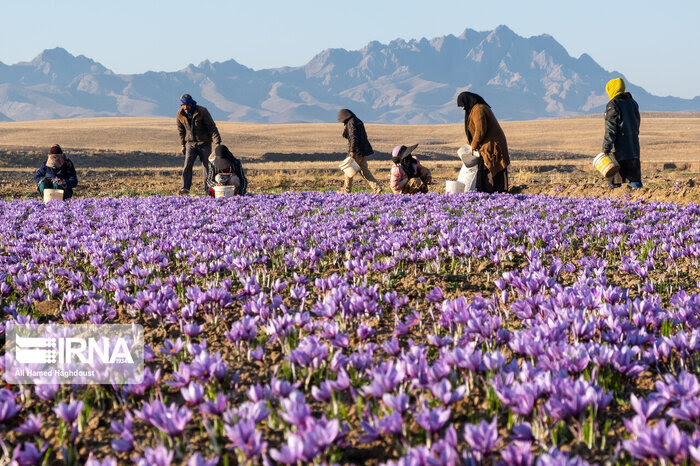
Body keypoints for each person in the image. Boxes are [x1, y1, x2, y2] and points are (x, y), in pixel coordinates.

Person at [457, 92, 510, 193]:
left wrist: (474, 145)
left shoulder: (478, 110)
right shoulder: (475, 109)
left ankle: (494, 194)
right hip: (487, 146)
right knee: (487, 168)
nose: (463, 108)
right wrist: (471, 141)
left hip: (492, 146)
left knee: (492, 168)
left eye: (462, 105)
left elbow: (480, 130)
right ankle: (490, 194)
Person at [177, 93, 222, 194]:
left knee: (207, 167)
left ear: (191, 104)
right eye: (183, 105)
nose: (185, 107)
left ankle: (208, 189)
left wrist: (217, 143)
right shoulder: (180, 114)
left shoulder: (202, 111)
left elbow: (212, 127)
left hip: (204, 143)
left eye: (187, 105)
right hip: (190, 144)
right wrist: (183, 145)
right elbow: (181, 131)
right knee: (187, 166)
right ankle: (185, 188)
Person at [602, 78, 642, 188]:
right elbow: (636, 124)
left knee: (614, 182)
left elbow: (611, 129)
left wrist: (606, 148)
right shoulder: (633, 103)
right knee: (635, 181)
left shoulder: (613, 104)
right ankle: (638, 203)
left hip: (618, 151)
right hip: (633, 148)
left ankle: (615, 204)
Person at [337, 109, 382, 194]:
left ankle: (346, 191)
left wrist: (352, 151)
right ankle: (376, 187)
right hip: (363, 150)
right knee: (364, 170)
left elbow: (353, 137)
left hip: (356, 151)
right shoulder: (357, 120)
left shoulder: (351, 123)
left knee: (348, 171)